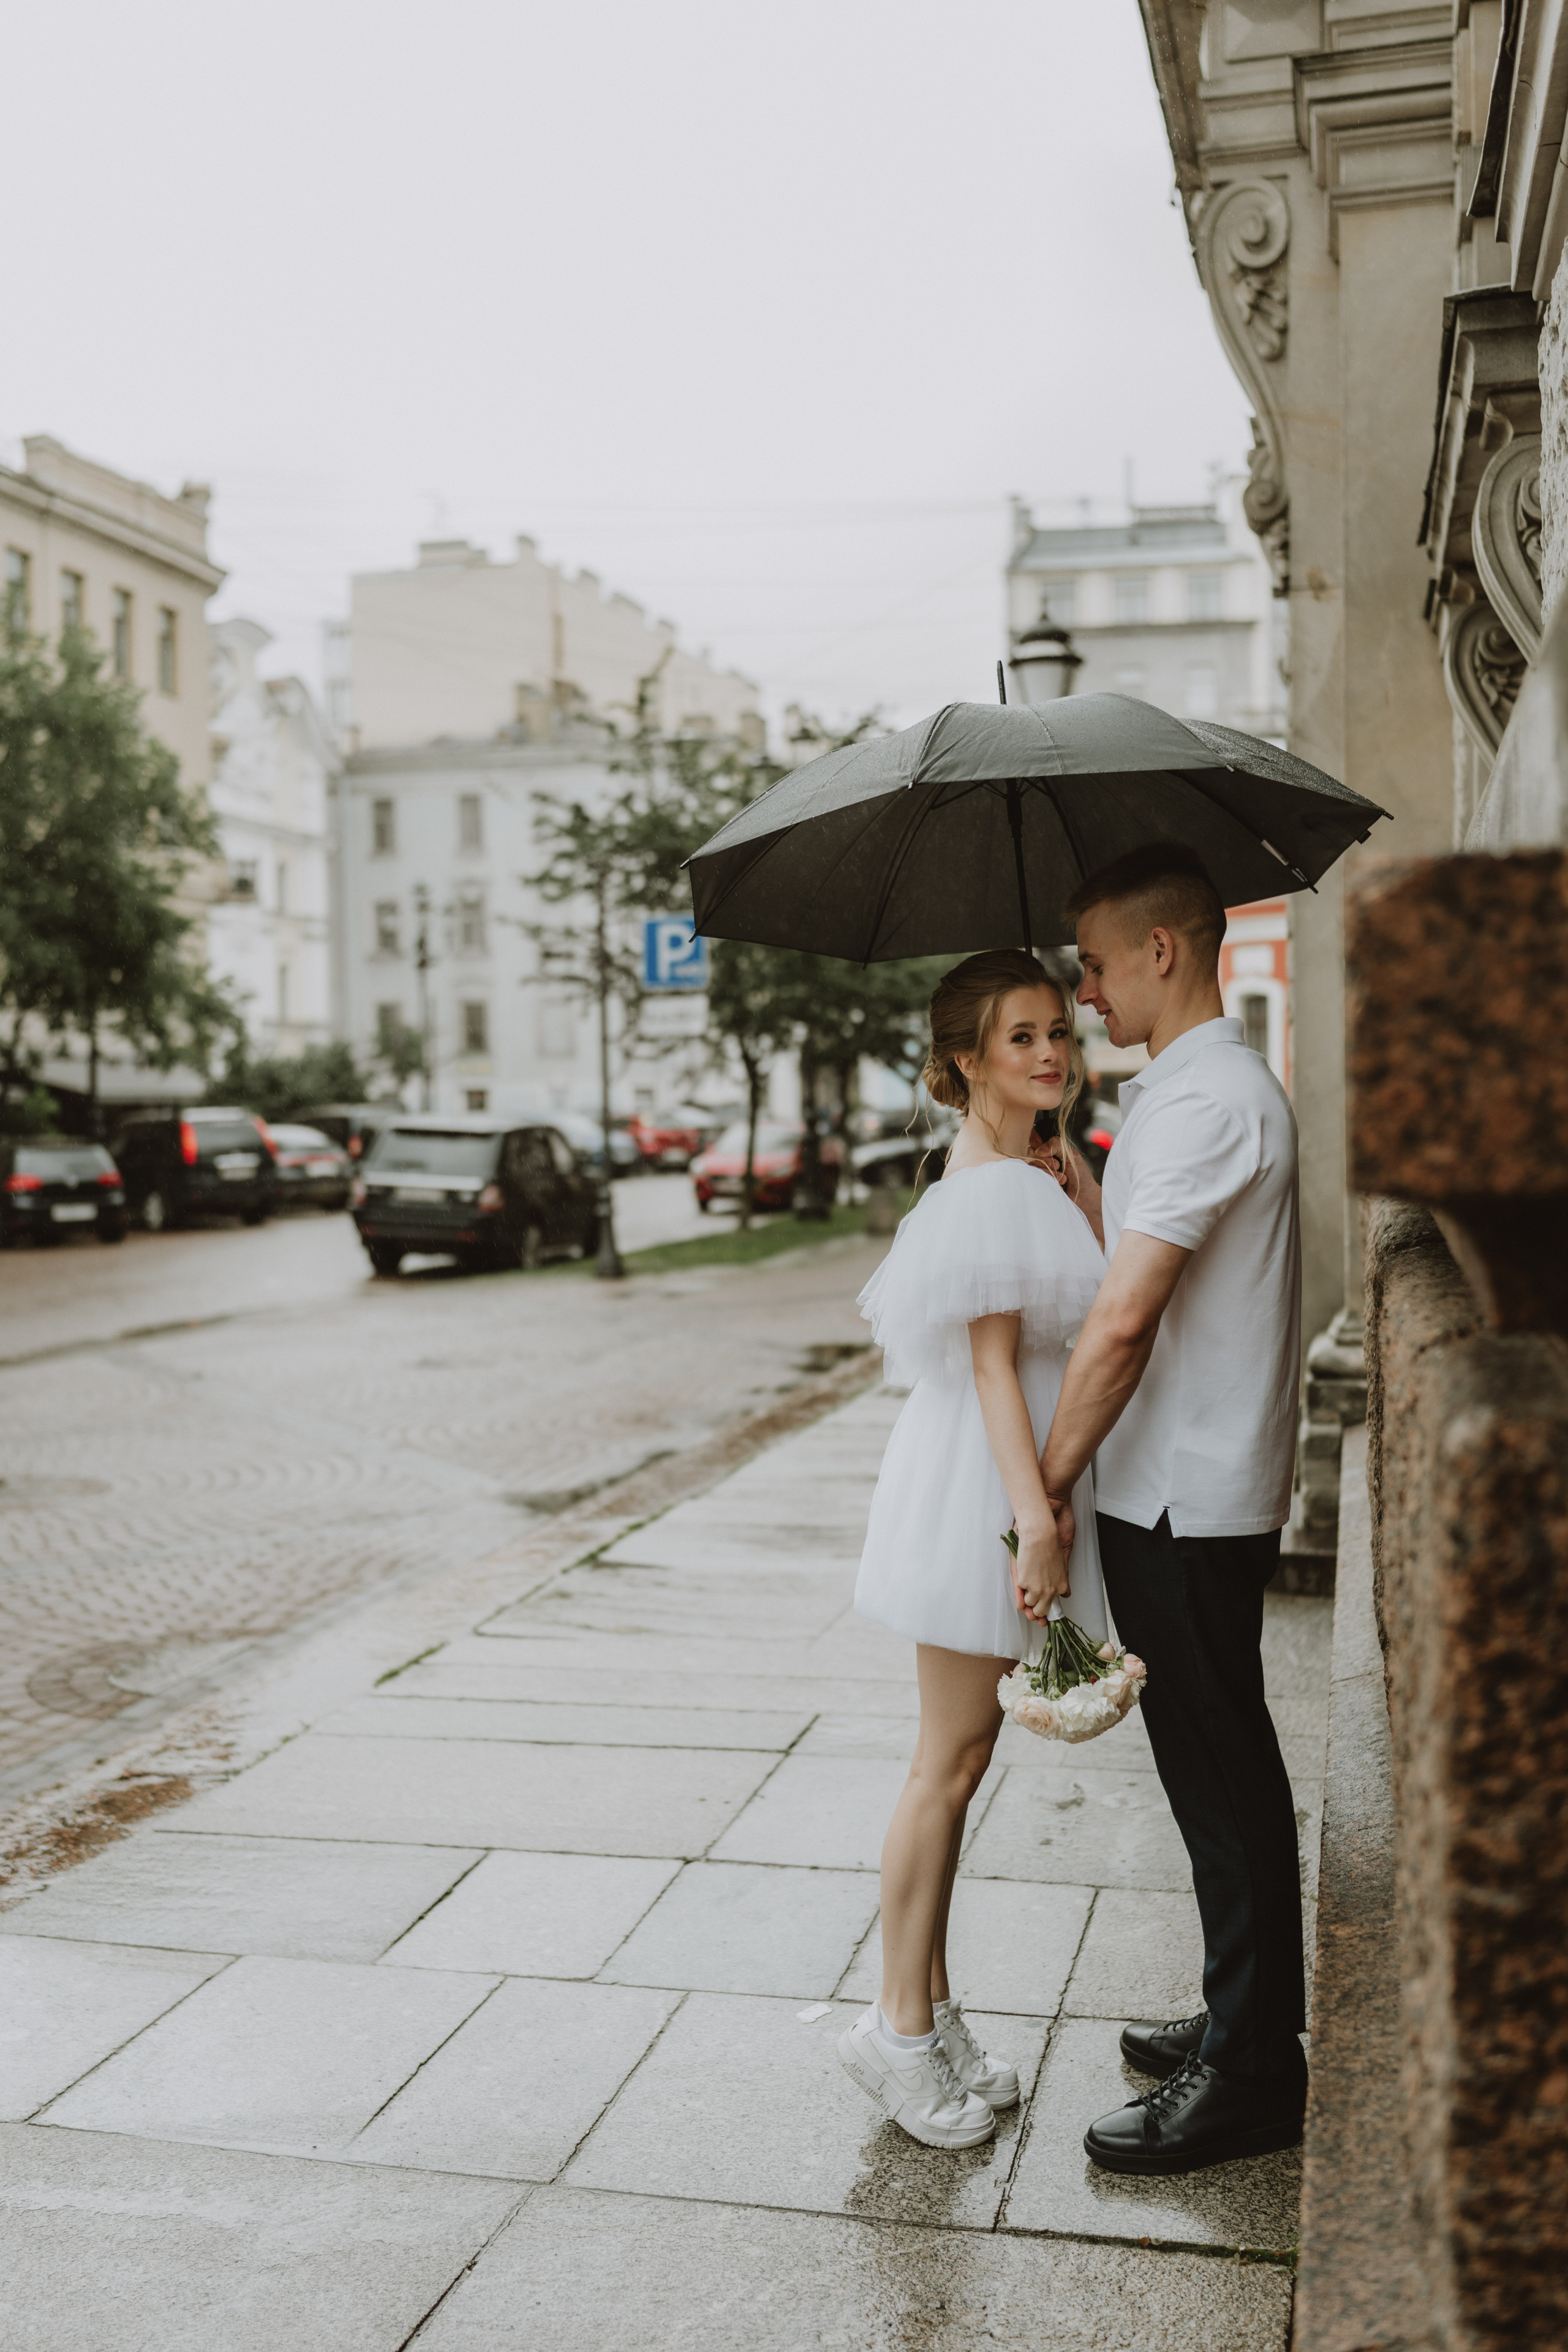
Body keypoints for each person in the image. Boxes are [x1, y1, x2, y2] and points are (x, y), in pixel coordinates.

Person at [1038, 841, 1306, 2176]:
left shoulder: (1206, 1099)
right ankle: (1235, 2010)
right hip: (1169, 1488)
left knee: (1218, 1769)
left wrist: (1040, 1484)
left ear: (1161, 949)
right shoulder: (1180, 1092)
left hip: (1181, 1495)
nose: (1079, 990)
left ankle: (1253, 2068)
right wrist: (1076, 1184)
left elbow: (1126, 1317)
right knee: (1203, 1767)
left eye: (1090, 962)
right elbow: (1132, 1261)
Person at [839, 948, 1106, 2149]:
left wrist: (1072, 1179)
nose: (1049, 1053)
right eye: (1018, 1038)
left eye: (1055, 1030)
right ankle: (894, 2033)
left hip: (978, 1479)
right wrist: (1035, 1526)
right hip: (979, 1492)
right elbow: (998, 1368)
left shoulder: (1019, 1172)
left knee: (956, 1764)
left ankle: (931, 2015)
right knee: (941, 1769)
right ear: (962, 1061)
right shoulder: (990, 1186)